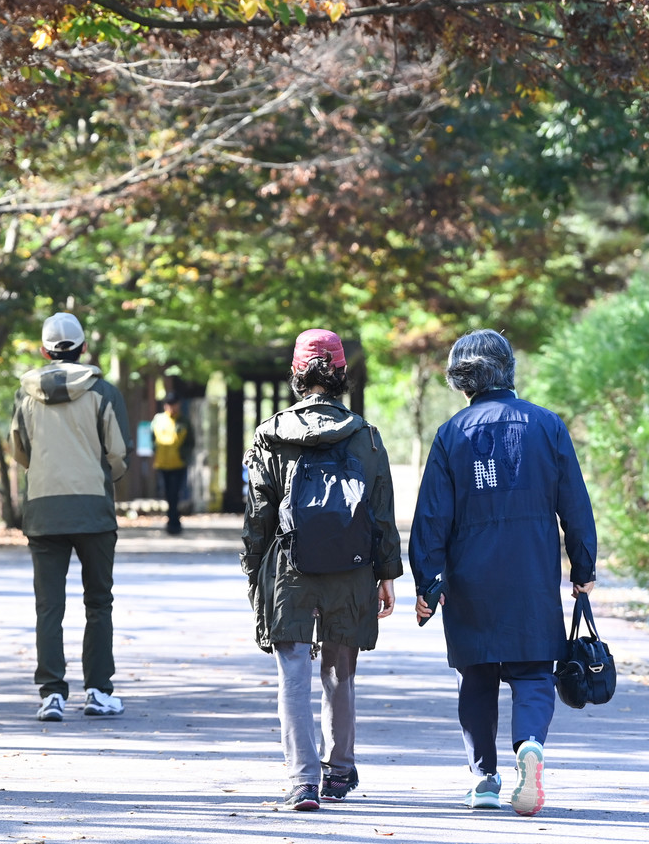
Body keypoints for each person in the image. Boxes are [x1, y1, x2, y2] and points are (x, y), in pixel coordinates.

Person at [409, 329, 597, 817]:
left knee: (476, 675)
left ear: (461, 379)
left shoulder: (451, 433)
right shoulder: (547, 425)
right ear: (509, 369)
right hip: (531, 571)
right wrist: (583, 567)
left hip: (470, 576)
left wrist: (427, 580)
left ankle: (484, 779)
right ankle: (529, 744)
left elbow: (431, 516)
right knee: (534, 670)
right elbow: (575, 506)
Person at [240, 328, 402, 812]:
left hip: (289, 566)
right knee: (340, 668)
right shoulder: (365, 436)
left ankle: (302, 780)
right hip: (351, 569)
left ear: (296, 373)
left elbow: (258, 515)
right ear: (342, 373)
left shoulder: (270, 434)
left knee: (293, 670)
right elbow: (381, 513)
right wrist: (387, 574)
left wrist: (254, 570)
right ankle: (340, 770)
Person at [9, 311, 133, 722]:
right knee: (98, 601)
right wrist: (101, 476)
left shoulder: (25, 395)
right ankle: (98, 690)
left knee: (49, 605)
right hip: (93, 509)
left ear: (44, 351)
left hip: (43, 509)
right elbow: (117, 453)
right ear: (84, 348)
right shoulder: (103, 392)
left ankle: (51, 694)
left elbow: (19, 449)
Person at [151, 391, 191, 535]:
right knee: (168, 493)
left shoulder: (184, 421)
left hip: (178, 464)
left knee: (175, 492)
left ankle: (173, 521)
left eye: (174, 404)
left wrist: (184, 456)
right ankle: (173, 520)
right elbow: (152, 439)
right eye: (169, 404)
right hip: (162, 463)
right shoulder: (158, 420)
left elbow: (190, 442)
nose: (172, 407)